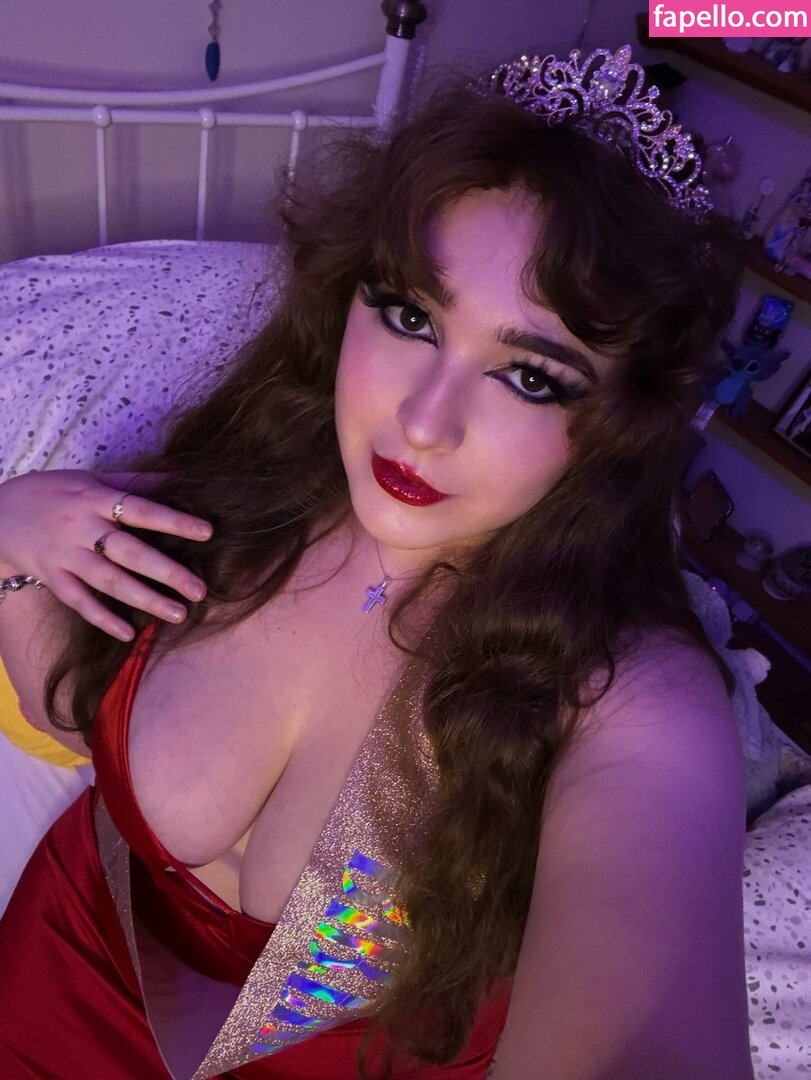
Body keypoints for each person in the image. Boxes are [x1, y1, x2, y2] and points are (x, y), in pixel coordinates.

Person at [0, 46, 755, 1079]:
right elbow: (59, 713)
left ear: (623, 422)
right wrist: (11, 533)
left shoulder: (628, 698)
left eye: (531, 377)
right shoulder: (229, 496)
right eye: (409, 316)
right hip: (53, 982)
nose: (423, 422)